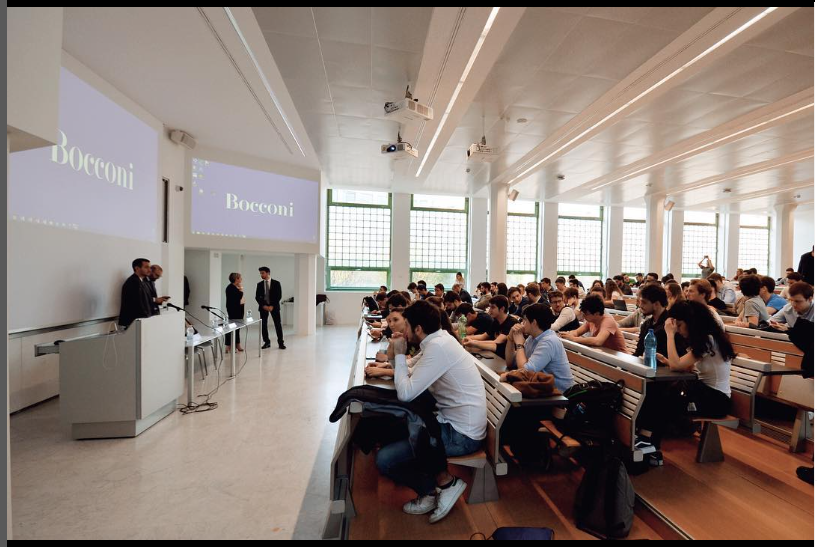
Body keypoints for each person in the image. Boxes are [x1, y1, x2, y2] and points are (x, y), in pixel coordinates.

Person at [377, 300, 487, 524]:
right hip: (451, 424)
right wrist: (394, 355)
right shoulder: (438, 341)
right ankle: (433, 487)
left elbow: (405, 392)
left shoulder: (438, 347)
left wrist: (399, 354)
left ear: (418, 328)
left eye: (406, 325)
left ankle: (442, 485)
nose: (403, 330)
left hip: (462, 436)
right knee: (394, 428)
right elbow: (408, 372)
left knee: (385, 459)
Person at [641, 301, 736, 449]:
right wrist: (666, 360)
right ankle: (647, 440)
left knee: (663, 400)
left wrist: (670, 334)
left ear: (691, 322)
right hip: (706, 394)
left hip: (717, 401)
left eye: (679, 325)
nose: (677, 330)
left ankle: (648, 442)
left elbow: (676, 365)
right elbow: (682, 366)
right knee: (658, 394)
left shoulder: (709, 340)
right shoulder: (706, 339)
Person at [502, 304, 574, 392]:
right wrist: (510, 338)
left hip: (560, 393)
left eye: (525, 320)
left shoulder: (548, 341)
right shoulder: (532, 337)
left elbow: (524, 371)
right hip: (542, 388)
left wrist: (519, 344)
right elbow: (510, 363)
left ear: (534, 323)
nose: (522, 324)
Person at [633, 284, 687, 358]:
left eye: (644, 302)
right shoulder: (646, 324)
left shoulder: (672, 325)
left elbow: (680, 355)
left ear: (656, 304)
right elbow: (639, 351)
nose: (640, 305)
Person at [560, 295, 627, 352]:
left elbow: (598, 341)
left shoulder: (608, 321)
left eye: (586, 314)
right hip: (604, 354)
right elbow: (577, 332)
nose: (583, 316)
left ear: (596, 313)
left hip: (619, 357)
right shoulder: (591, 321)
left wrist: (574, 339)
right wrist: (569, 334)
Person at [118, 258, 154, 328]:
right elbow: (138, 304)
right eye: (146, 267)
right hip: (134, 323)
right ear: (137, 268)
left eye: (149, 267)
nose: (149, 270)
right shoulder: (133, 282)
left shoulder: (143, 282)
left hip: (142, 321)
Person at [256, 267, 285, 350]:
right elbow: (257, 297)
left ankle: (281, 343)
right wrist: (264, 306)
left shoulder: (276, 283)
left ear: (268, 273)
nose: (261, 275)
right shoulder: (259, 284)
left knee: (278, 324)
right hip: (263, 307)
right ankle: (267, 342)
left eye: (263, 273)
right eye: (260, 273)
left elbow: (278, 296)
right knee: (264, 325)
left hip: (274, 307)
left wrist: (272, 306)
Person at [225, 272, 245, 353]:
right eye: (240, 278)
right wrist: (241, 290)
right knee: (232, 327)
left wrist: (240, 289)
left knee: (237, 327)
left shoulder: (235, 287)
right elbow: (238, 297)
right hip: (233, 310)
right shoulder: (230, 288)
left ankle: (237, 344)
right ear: (236, 279)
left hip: (238, 310)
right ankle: (229, 346)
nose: (241, 279)